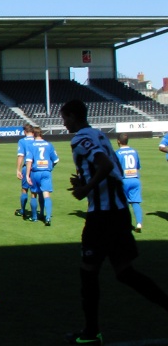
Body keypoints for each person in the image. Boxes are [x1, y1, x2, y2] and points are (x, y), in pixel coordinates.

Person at [60, 99, 168, 345]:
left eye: (65, 118)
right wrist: (85, 182)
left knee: (88, 272)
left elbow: (106, 165)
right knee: (124, 272)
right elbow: (112, 168)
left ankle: (90, 333)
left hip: (103, 216)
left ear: (74, 116)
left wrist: (85, 188)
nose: (64, 123)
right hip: (119, 212)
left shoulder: (80, 139)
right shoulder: (100, 135)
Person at [24, 126, 59, 225]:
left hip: (35, 172)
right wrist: (50, 167)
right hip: (46, 172)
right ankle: (47, 217)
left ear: (33, 135)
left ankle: (34, 217)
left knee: (34, 194)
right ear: (41, 133)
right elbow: (56, 160)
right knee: (46, 194)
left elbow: (29, 161)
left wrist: (27, 175)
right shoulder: (49, 144)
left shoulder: (31, 145)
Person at [115, 134, 143, 232]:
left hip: (124, 180)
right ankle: (139, 223)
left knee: (123, 203)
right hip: (135, 179)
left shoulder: (117, 153)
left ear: (118, 141)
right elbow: (138, 166)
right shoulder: (134, 151)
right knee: (135, 203)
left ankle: (126, 224)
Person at [15, 124, 35, 219]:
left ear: (24, 132)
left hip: (26, 167)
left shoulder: (22, 141)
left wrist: (18, 169)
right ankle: (38, 214)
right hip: (37, 168)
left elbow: (20, 156)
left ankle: (23, 211)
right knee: (35, 192)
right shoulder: (37, 140)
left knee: (24, 190)